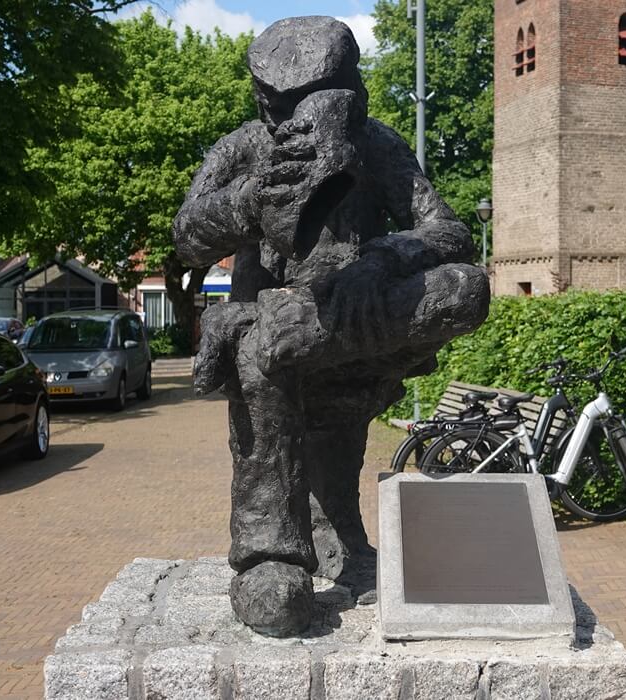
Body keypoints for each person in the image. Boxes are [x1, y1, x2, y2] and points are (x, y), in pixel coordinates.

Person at [173, 16, 488, 637]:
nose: (299, 118)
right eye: (280, 106)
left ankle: (268, 332)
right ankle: (272, 554)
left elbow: (449, 232)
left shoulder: (376, 144)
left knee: (469, 290)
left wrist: (384, 257)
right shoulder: (245, 149)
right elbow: (186, 238)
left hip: (354, 322)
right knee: (264, 355)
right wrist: (249, 200)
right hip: (277, 341)